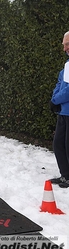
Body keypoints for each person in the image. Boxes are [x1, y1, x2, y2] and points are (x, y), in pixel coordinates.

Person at [50, 31, 69, 188]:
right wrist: (54, 99)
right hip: (63, 112)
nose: (65, 48)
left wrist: (55, 100)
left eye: (67, 44)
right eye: (64, 45)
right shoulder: (66, 67)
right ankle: (65, 175)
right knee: (58, 144)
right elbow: (59, 83)